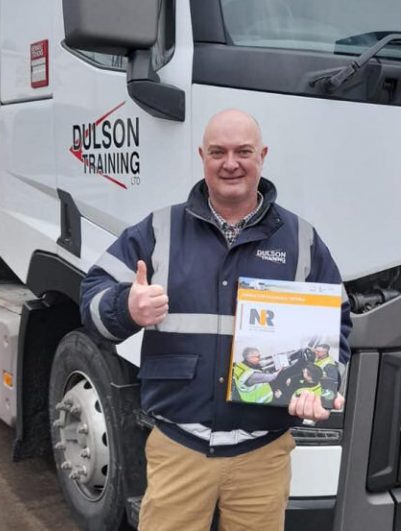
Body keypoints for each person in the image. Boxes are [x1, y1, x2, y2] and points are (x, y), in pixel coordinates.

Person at [80, 109, 351, 531]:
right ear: (201, 156)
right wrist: (126, 307)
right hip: (178, 447)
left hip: (263, 455)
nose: (231, 163)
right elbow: (92, 296)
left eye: (243, 151)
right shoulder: (159, 228)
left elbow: (338, 320)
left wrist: (323, 383)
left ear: (262, 156)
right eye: (218, 152)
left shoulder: (301, 240)